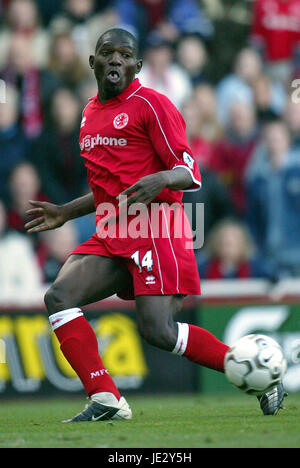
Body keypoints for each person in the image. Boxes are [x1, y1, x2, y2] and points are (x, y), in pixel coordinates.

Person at [25, 28, 285, 421]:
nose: (116, 59)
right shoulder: (89, 113)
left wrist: (162, 179)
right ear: (92, 63)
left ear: (138, 66)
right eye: (107, 53)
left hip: (157, 227)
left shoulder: (152, 105)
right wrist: (66, 212)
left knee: (159, 331)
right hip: (114, 229)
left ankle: (260, 377)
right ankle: (106, 398)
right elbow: (108, 191)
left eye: (125, 54)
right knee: (59, 298)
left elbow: (189, 170)